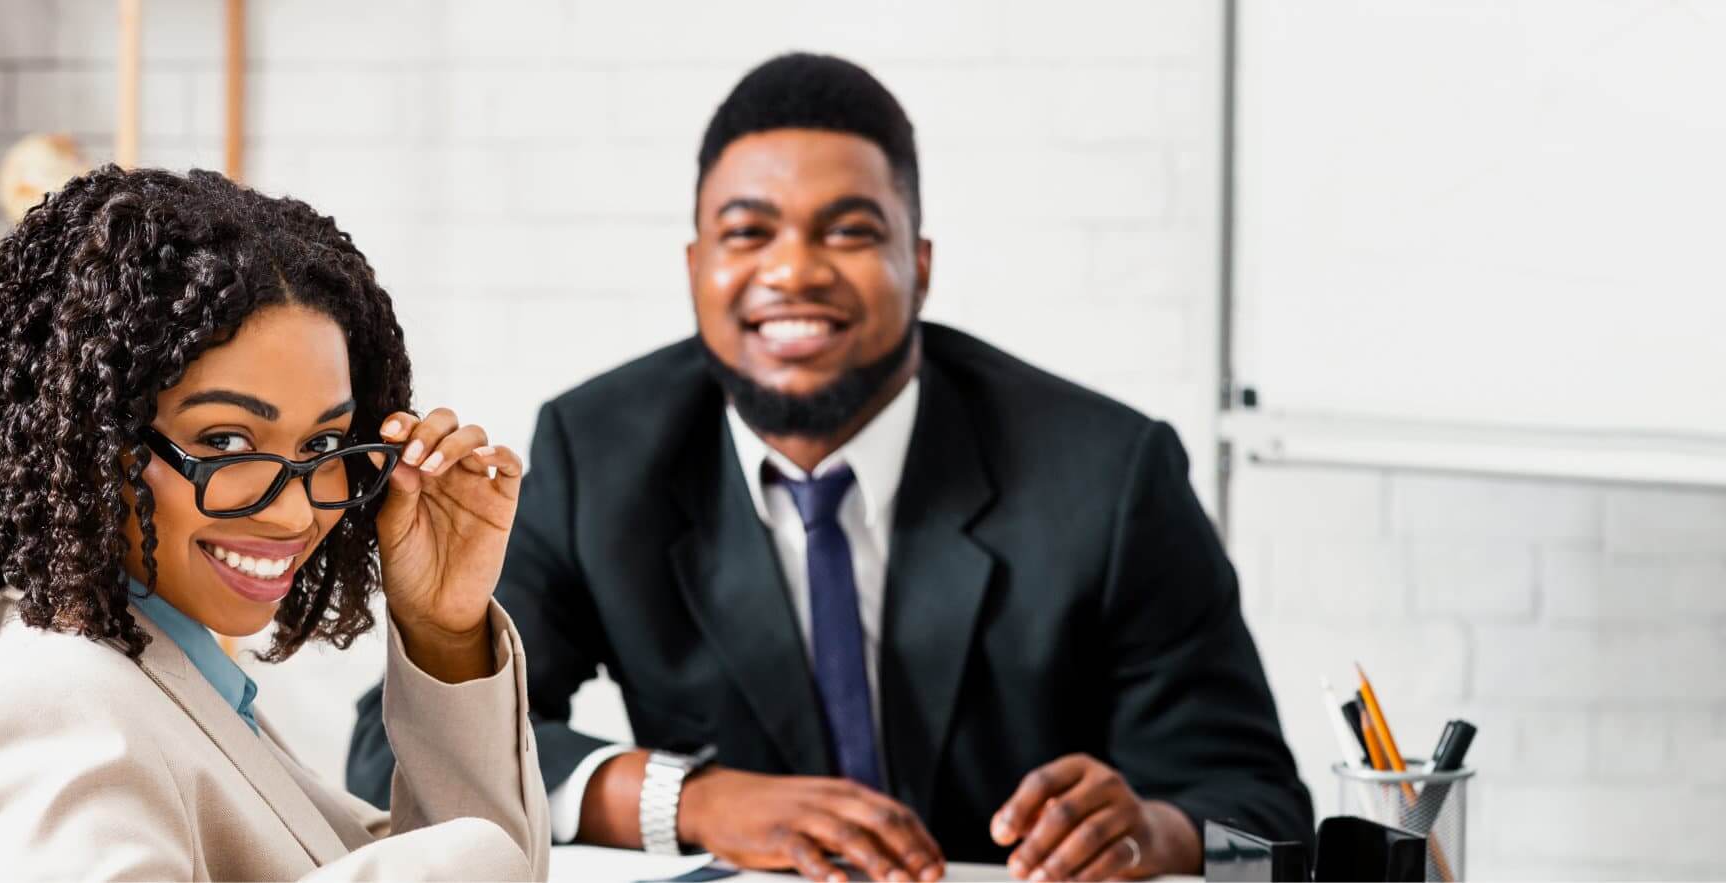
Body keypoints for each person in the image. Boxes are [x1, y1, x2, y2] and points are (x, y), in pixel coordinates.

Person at [349, 52, 1311, 881]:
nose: (795, 269)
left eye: (849, 231)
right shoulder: (598, 450)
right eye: (748, 231)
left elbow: (1258, 802)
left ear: (920, 263)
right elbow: (396, 750)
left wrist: (1155, 830)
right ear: (696, 266)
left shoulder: (1109, 472)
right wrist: (691, 799)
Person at [0, 166, 549, 881]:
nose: (295, 509)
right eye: (226, 443)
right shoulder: (48, 707)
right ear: (91, 443)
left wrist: (444, 632)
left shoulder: (168, 670)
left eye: (325, 446)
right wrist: (465, 863)